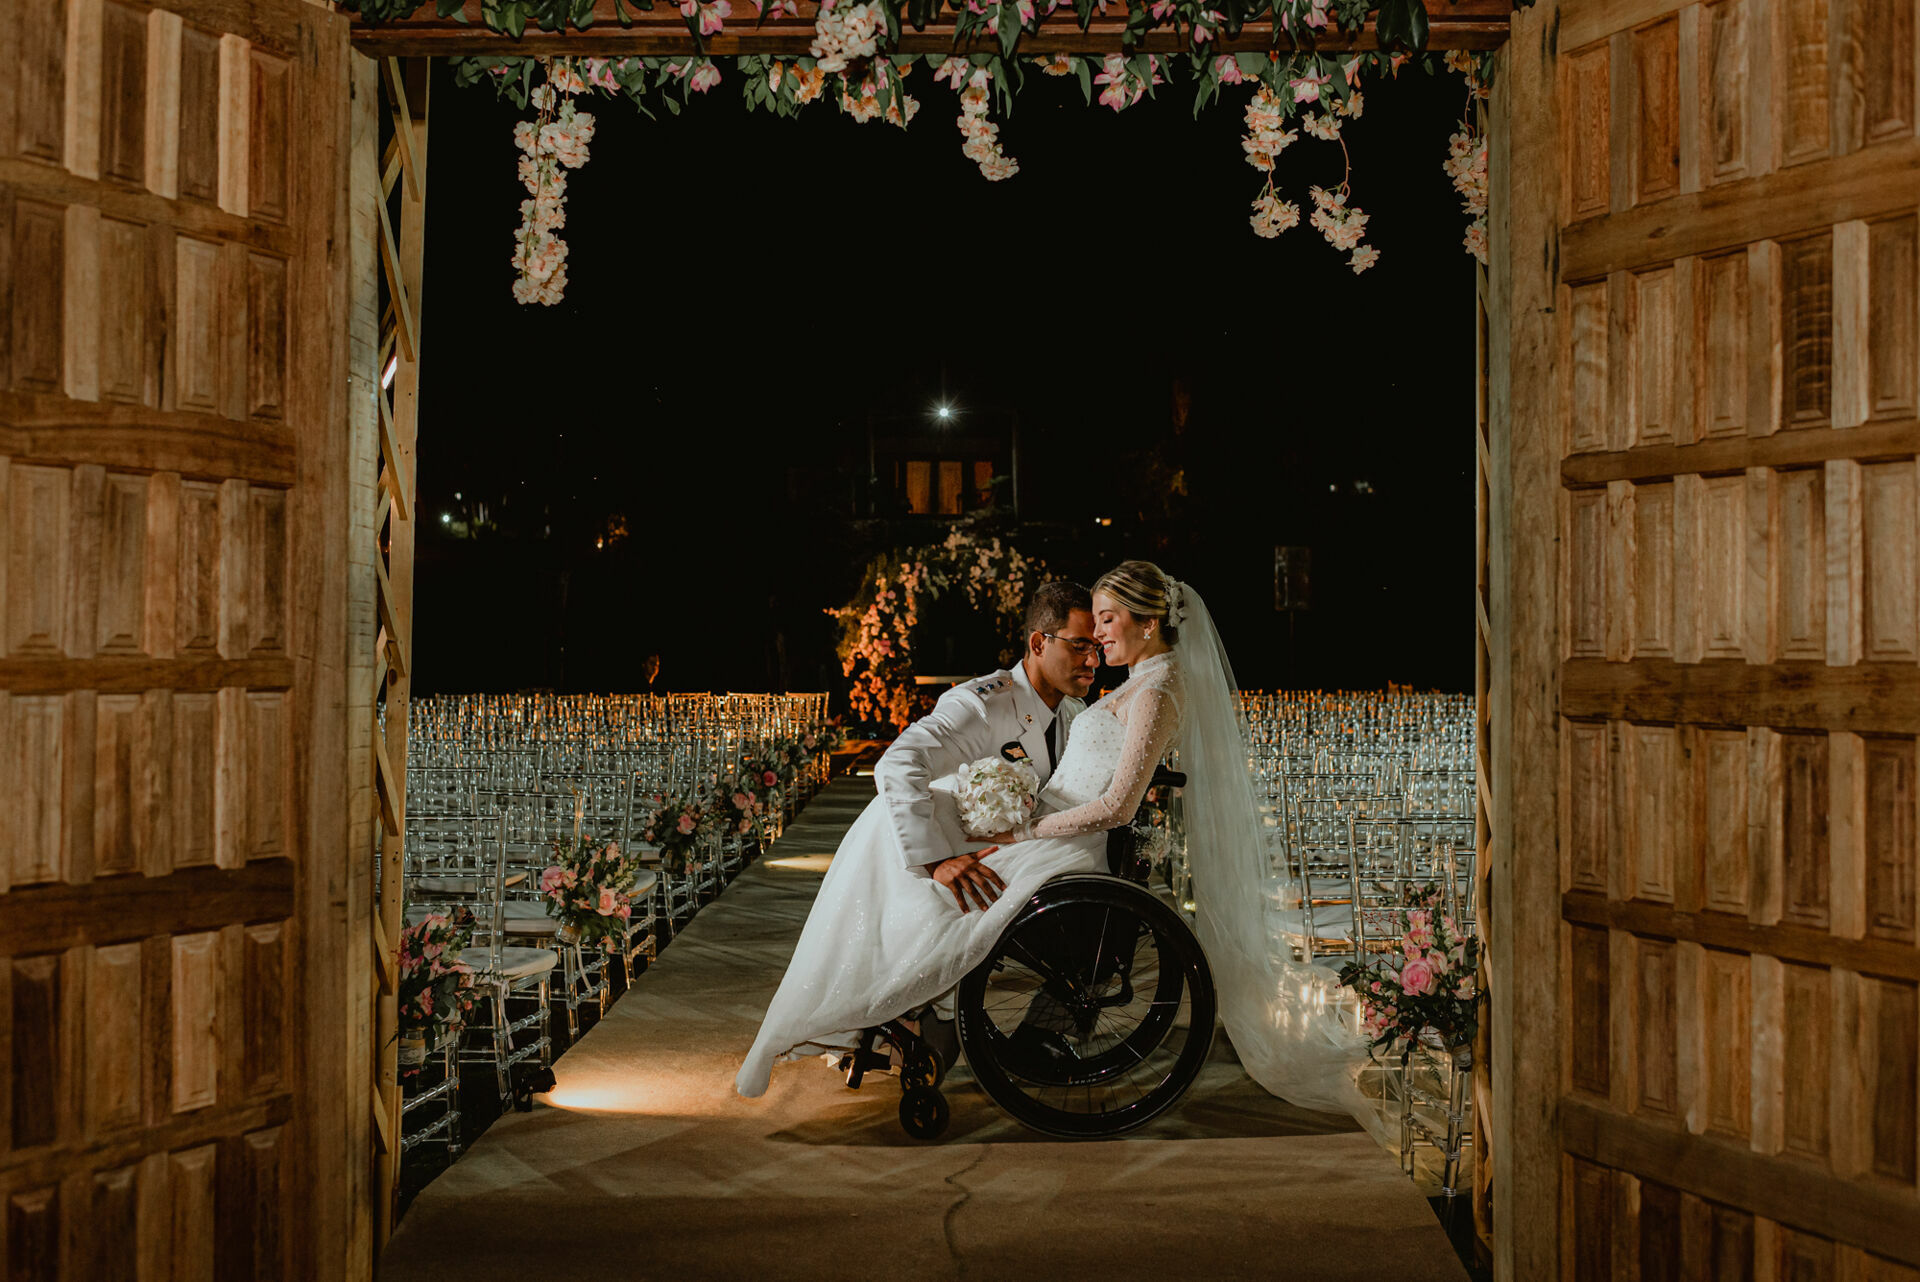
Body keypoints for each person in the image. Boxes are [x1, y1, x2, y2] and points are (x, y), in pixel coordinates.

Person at [735, 580, 1101, 1095]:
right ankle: (912, 1032)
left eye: (1098, 648)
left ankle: (992, 1035)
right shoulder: (982, 703)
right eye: (1080, 645)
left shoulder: (1072, 713)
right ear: (1039, 643)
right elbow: (899, 760)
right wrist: (936, 861)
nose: (1093, 660)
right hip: (917, 854)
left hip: (991, 852)